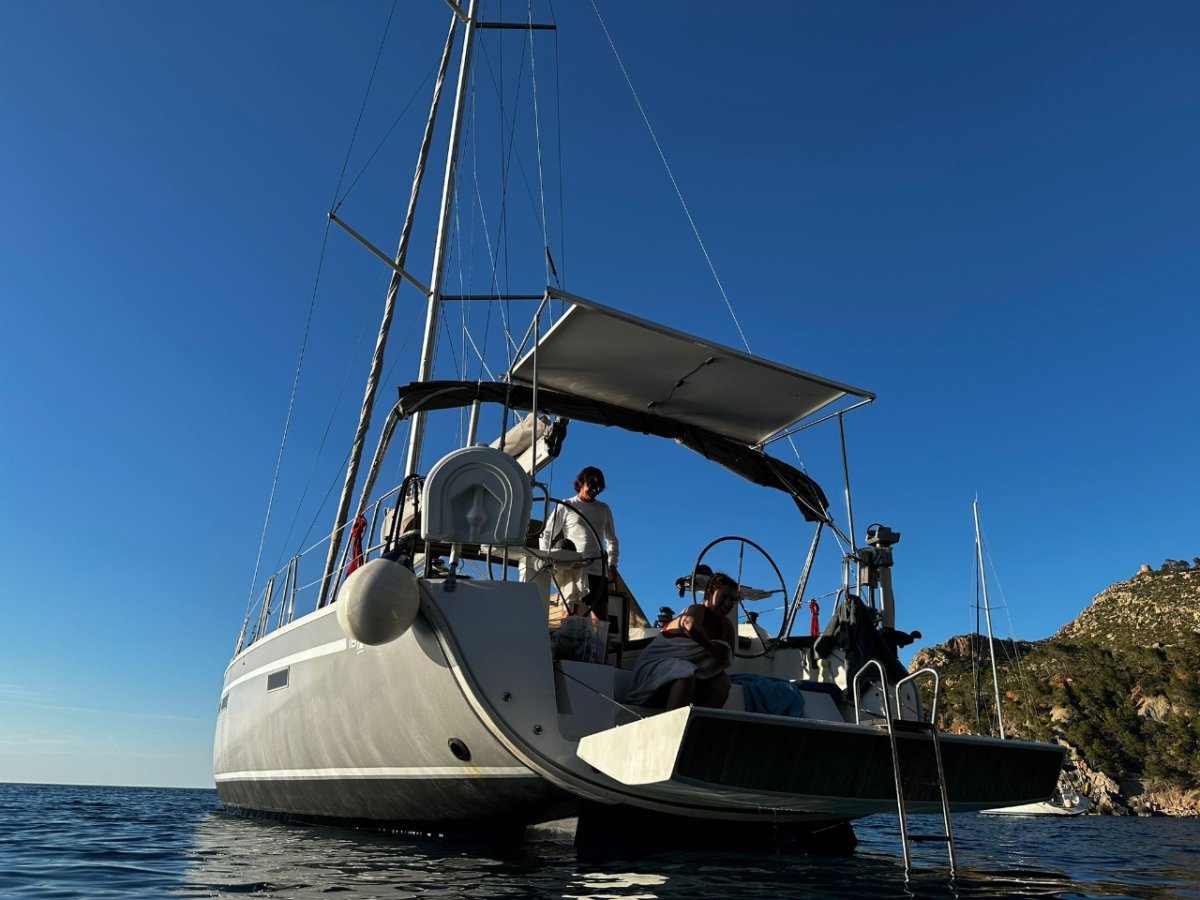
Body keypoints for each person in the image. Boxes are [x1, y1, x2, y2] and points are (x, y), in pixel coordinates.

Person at [624, 571, 738, 710]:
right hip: (654, 666)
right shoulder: (697, 610)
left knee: (723, 682)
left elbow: (727, 657)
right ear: (709, 594)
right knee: (685, 673)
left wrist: (721, 655)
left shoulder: (726, 627)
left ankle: (703, 726)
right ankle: (674, 727)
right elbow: (689, 625)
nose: (728, 603)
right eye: (724, 597)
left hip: (693, 673)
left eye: (732, 600)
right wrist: (712, 649)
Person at [540, 466, 619, 621]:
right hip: (574, 568)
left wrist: (613, 564)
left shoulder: (604, 509)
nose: (595, 490)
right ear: (582, 482)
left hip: (598, 570)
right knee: (570, 613)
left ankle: (596, 645)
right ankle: (565, 644)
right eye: (592, 485)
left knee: (601, 618)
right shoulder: (566, 505)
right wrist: (546, 557)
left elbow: (612, 540)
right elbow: (547, 533)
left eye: (599, 488)